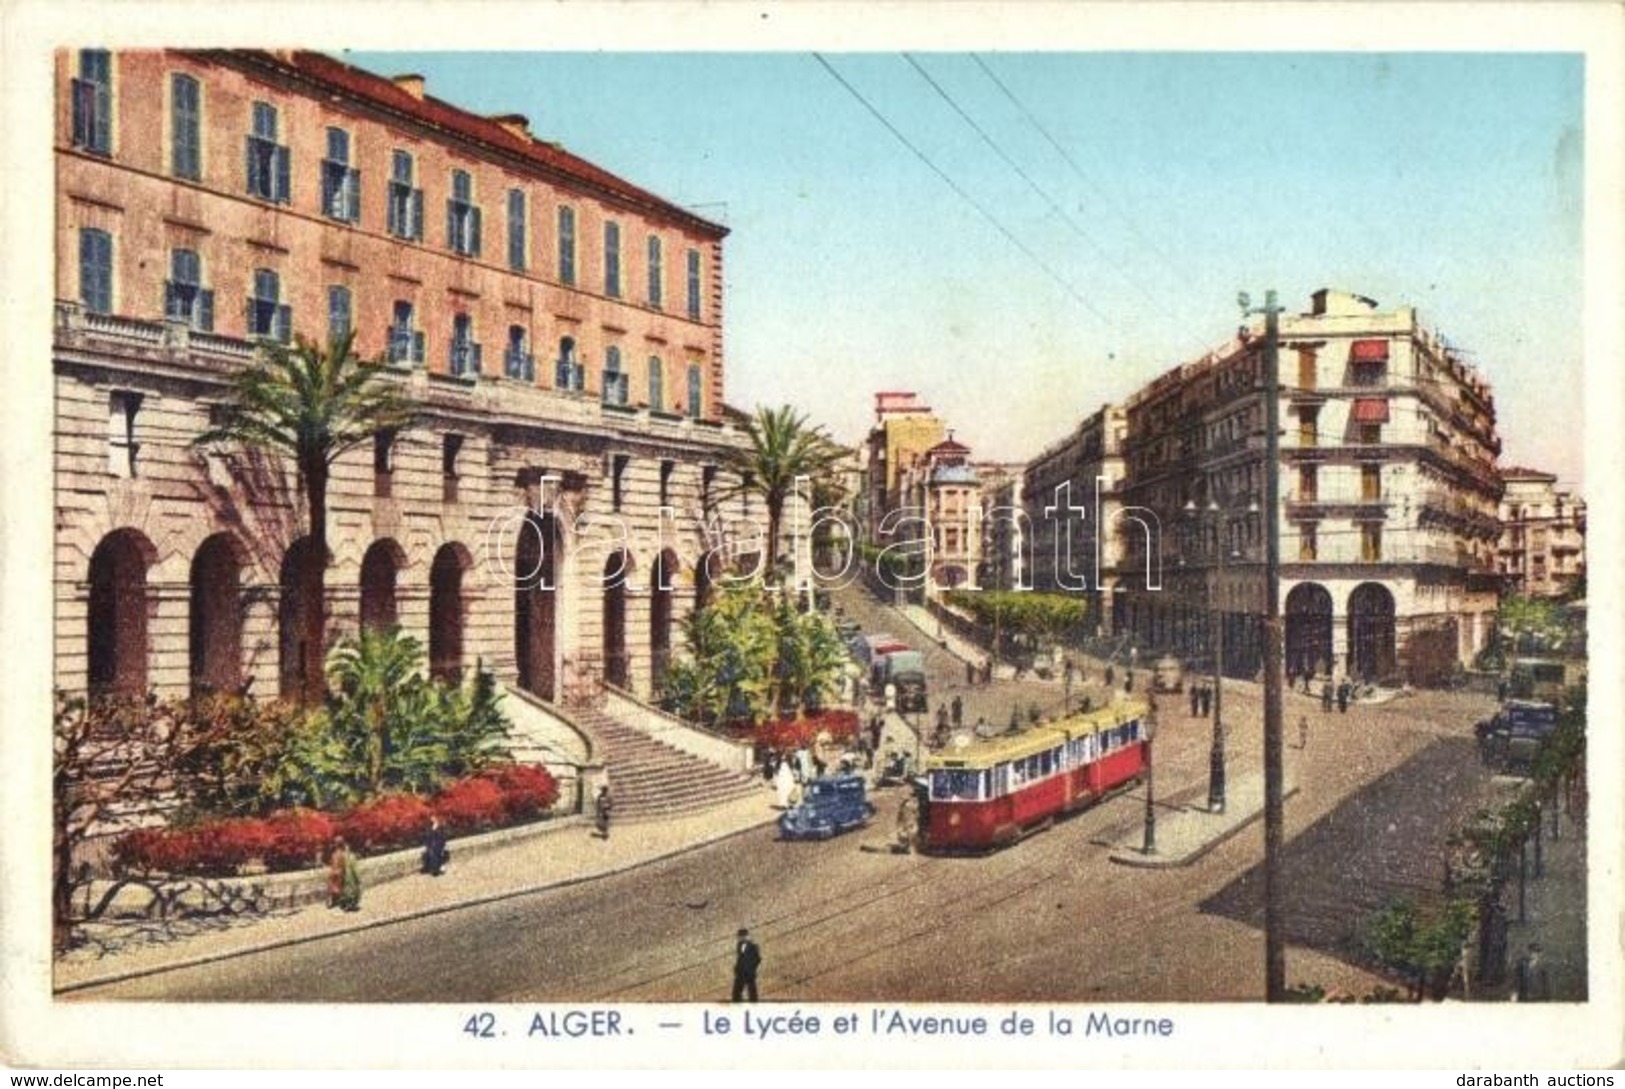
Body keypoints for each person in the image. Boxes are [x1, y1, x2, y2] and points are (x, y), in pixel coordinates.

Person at [328, 836, 361, 912]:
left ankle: (343, 902)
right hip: (341, 874)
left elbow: (336, 865)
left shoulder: (337, 854)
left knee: (342, 888)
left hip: (340, 874)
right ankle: (346, 902)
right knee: (345, 888)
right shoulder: (344, 854)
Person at [732, 928, 762, 1002]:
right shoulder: (739, 945)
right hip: (740, 972)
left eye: (741, 936)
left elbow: (758, 959)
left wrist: (751, 968)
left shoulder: (753, 946)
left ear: (745, 936)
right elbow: (740, 958)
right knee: (736, 991)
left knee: (752, 991)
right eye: (739, 937)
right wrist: (737, 968)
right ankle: (737, 1005)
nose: (739, 938)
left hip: (749, 972)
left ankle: (754, 1006)